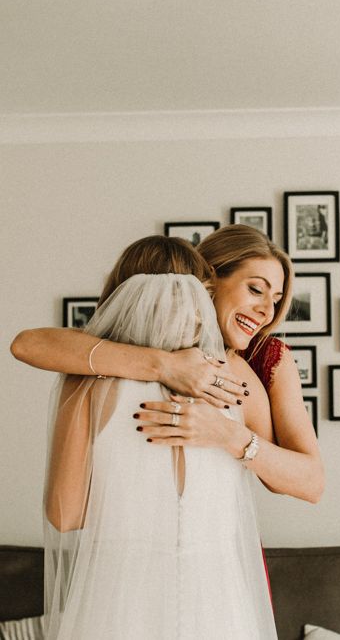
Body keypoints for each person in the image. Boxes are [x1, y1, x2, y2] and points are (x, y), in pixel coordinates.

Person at [42, 235, 277, 639]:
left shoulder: (85, 386)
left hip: (119, 603)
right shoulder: (235, 378)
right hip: (220, 603)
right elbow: (270, 470)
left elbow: (65, 516)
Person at [12, 225, 324, 505]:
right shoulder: (129, 343)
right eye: (256, 289)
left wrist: (226, 433)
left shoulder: (260, 361)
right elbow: (26, 345)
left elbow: (312, 484)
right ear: (208, 280)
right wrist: (167, 365)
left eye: (278, 299)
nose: (267, 311)